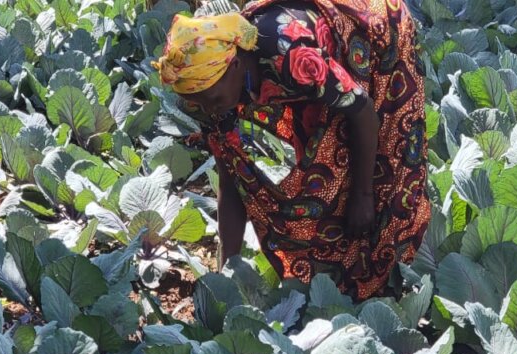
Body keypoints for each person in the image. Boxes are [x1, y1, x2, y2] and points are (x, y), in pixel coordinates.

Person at [153, 0, 429, 301]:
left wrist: (362, 196)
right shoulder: (205, 96)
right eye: (200, 103)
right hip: (315, 66)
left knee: (386, 164)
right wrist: (226, 272)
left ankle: (387, 271)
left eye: (214, 99)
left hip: (376, 30)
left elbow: (362, 110)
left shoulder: (290, 56)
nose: (209, 109)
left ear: (234, 64)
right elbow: (230, 181)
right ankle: (340, 272)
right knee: (318, 159)